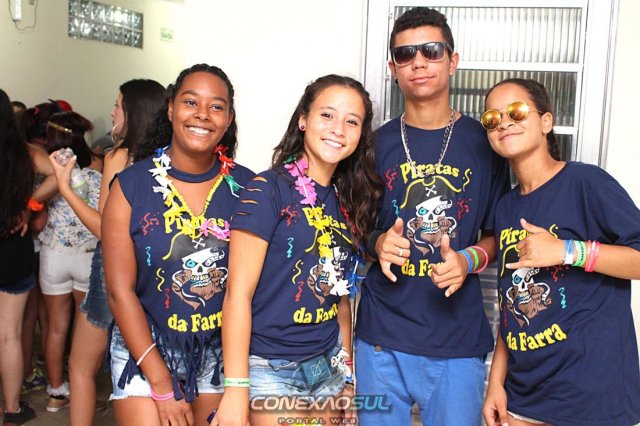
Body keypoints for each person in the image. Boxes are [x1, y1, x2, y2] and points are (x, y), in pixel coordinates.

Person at [355, 7, 511, 425]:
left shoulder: (486, 143)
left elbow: (500, 234)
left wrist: (467, 259)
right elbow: (354, 227)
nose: (419, 62)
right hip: (380, 340)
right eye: (405, 54)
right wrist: (377, 243)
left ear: (452, 60)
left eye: (431, 50)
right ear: (393, 69)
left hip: (457, 341)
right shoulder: (374, 144)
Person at [213, 74, 382, 426]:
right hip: (270, 368)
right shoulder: (267, 190)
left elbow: (340, 298)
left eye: (352, 121)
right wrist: (236, 388)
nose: (338, 129)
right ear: (303, 119)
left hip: (325, 366)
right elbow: (237, 294)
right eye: (327, 115)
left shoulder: (347, 201)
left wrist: (347, 377)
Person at [481, 78, 640, 426]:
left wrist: (568, 251)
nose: (503, 122)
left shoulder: (586, 182)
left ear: (546, 122)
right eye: (492, 118)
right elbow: (509, 306)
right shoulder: (505, 208)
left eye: (516, 112)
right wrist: (495, 383)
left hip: (590, 395)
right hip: (523, 397)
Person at [102, 64, 254, 426]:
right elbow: (119, 292)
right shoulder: (130, 187)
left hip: (218, 351)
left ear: (229, 118)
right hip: (145, 347)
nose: (202, 114)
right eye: (190, 102)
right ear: (171, 109)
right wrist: (160, 383)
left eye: (216, 106)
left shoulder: (248, 188)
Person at [49, 79, 165, 425]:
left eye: (117, 105)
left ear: (133, 112)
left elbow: (104, 229)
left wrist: (66, 188)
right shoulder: (168, 160)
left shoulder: (119, 158)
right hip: (152, 272)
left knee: (81, 366)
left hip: (112, 272)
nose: (112, 112)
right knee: (149, 364)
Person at [40, 111, 102, 413]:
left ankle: (56, 392)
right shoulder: (97, 169)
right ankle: (82, 393)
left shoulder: (48, 171)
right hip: (87, 255)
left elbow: (37, 210)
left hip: (53, 255)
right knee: (84, 331)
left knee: (55, 328)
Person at [0, 88, 37, 424]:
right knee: (8, 334)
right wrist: (30, 205)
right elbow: (61, 169)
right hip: (13, 250)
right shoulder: (24, 153)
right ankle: (11, 410)